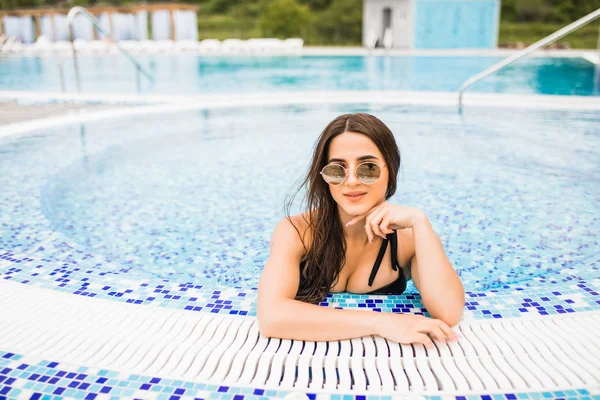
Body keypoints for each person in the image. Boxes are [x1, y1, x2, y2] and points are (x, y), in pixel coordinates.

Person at [257, 113, 465, 349]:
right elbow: (271, 317)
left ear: (391, 170)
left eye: (368, 168)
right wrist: (382, 322)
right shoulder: (297, 232)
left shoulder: (407, 241)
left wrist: (420, 222)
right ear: (323, 176)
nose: (352, 180)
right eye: (337, 169)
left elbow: (449, 312)